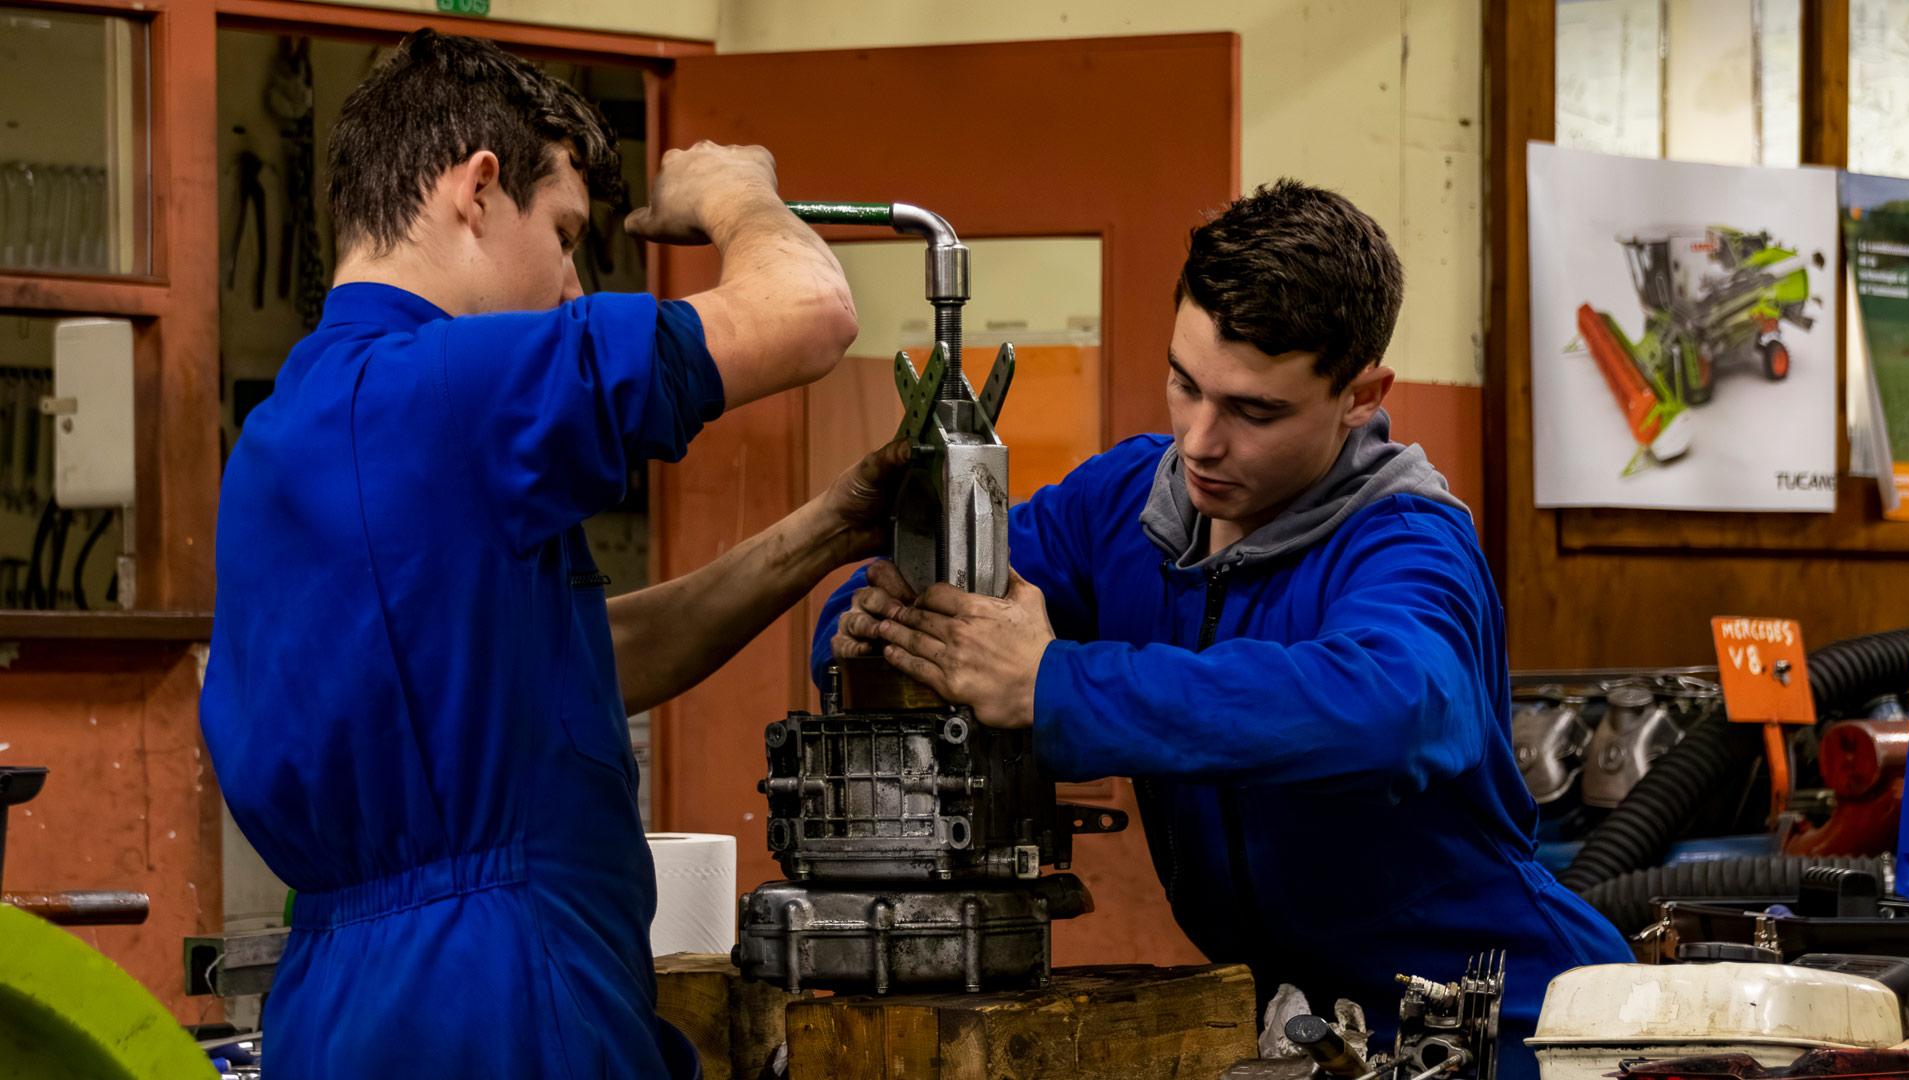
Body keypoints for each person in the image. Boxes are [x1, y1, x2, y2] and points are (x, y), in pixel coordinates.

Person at [201, 30, 900, 1079]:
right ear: (477, 189)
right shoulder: (449, 386)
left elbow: (571, 665)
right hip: (498, 1004)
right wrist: (739, 194)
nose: (573, 286)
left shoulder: (285, 436)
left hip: (343, 1012)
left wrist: (831, 528)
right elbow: (810, 312)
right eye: (566, 234)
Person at [817, 179, 1631, 1079]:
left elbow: (1395, 706)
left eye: (1254, 411)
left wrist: (1054, 684)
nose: (1201, 441)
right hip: (1297, 1036)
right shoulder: (1120, 505)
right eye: (1184, 384)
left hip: (1513, 1031)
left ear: (1362, 395)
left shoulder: (1408, 546)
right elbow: (923, 605)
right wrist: (870, 630)